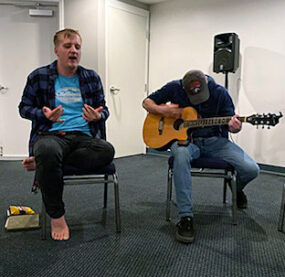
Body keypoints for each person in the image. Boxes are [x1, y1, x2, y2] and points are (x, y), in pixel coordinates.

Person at [142, 70, 260, 244]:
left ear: (206, 83)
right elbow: (146, 102)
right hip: (187, 143)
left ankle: (236, 188)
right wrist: (163, 110)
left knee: (251, 169)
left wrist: (235, 127)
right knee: (180, 156)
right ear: (184, 87)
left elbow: (232, 125)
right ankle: (186, 217)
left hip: (215, 142)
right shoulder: (175, 87)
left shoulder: (220, 93)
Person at [19, 28, 114, 241]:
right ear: (56, 50)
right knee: (47, 149)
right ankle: (57, 215)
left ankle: (44, 162)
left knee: (107, 151)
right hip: (52, 135)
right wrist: (44, 115)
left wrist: (97, 117)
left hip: (83, 138)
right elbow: (23, 108)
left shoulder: (91, 77)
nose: (74, 51)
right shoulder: (38, 76)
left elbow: (104, 109)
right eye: (68, 46)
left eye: (77, 47)